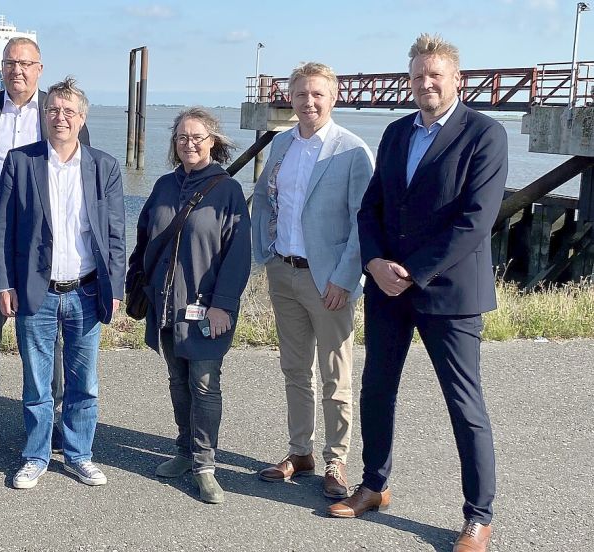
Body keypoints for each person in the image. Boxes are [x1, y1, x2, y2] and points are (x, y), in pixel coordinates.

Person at [328, 34, 506, 552]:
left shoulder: (485, 134)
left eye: (435, 75)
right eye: (418, 76)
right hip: (388, 288)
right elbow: (371, 208)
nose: (426, 84)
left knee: (464, 404)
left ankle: (478, 517)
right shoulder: (396, 132)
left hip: (449, 293)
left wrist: (412, 271)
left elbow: (475, 221)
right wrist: (374, 262)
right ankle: (374, 485)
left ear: (457, 80)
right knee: (377, 389)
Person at [0, 77, 125, 490]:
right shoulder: (21, 161)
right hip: (37, 290)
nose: (60, 117)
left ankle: (79, 454)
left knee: (84, 382)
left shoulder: (104, 166)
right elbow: (3, 229)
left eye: (69, 111)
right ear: (44, 115)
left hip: (86, 290)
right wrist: (3, 284)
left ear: (82, 118)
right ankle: (35, 456)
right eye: (53, 110)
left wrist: (116, 288)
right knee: (37, 382)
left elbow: (116, 234)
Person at [251, 62, 373, 499]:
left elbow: (363, 222)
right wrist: (264, 252)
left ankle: (336, 460)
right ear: (291, 97)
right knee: (294, 369)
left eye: (318, 94)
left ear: (333, 97)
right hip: (284, 272)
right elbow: (265, 199)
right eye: (301, 94)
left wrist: (346, 279)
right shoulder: (282, 143)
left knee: (336, 375)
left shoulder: (352, 151)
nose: (309, 102)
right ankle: (299, 451)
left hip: (329, 282)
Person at [0, 37, 90, 453]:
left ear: (39, 68)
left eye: (26, 63)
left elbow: (81, 179)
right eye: (10, 62)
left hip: (41, 237)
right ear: (1, 67)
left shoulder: (58, 112)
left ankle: (50, 416)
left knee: (47, 329)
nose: (17, 70)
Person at [126, 107, 251, 504]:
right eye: (182, 137)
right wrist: (134, 285)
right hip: (166, 305)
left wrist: (223, 305)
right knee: (178, 381)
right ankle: (183, 450)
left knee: (204, 384)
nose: (189, 144)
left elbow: (239, 254)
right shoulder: (164, 185)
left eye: (197, 137)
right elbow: (144, 239)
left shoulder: (227, 190)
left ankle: (205, 465)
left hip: (207, 307)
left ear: (213, 141)